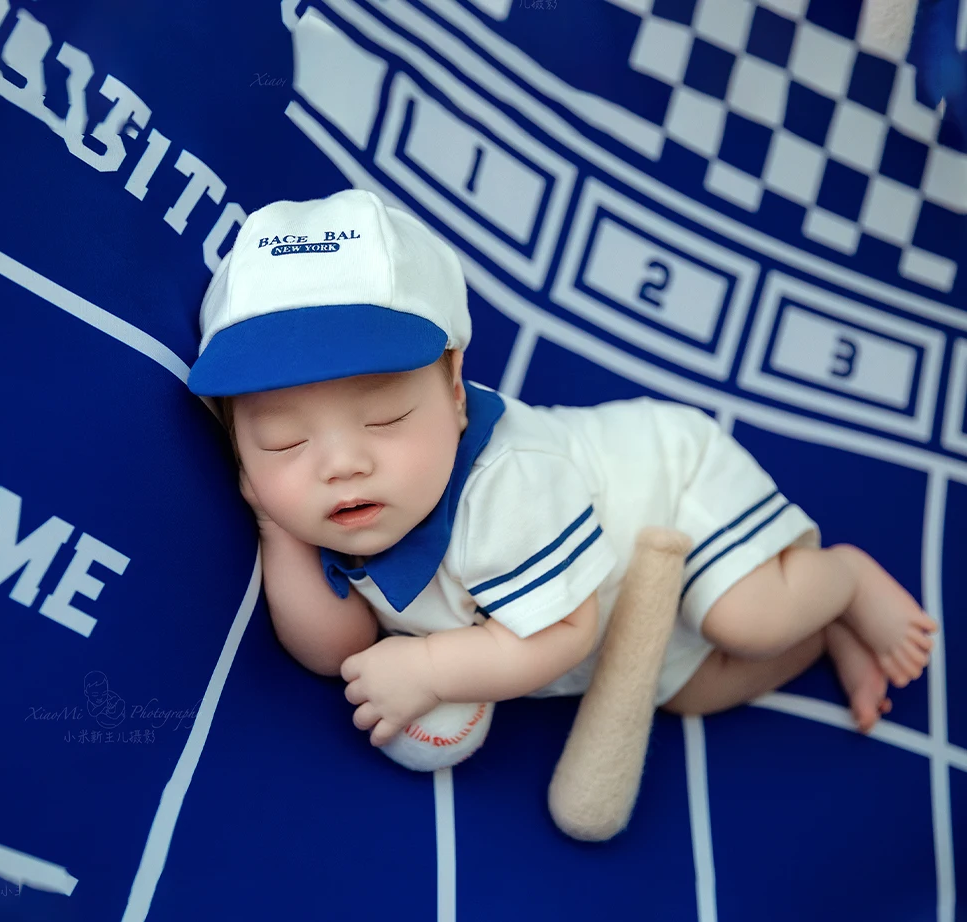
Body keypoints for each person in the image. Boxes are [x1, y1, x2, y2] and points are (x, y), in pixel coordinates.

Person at [187, 189, 937, 749]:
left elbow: (566, 633)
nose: (342, 465)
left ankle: (842, 578)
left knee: (742, 619)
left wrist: (433, 673)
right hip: (609, 609)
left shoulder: (508, 483)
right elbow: (337, 650)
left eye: (385, 418)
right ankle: (821, 627)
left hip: (668, 494)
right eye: (283, 440)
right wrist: (273, 523)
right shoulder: (329, 500)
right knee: (693, 693)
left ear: (453, 392)